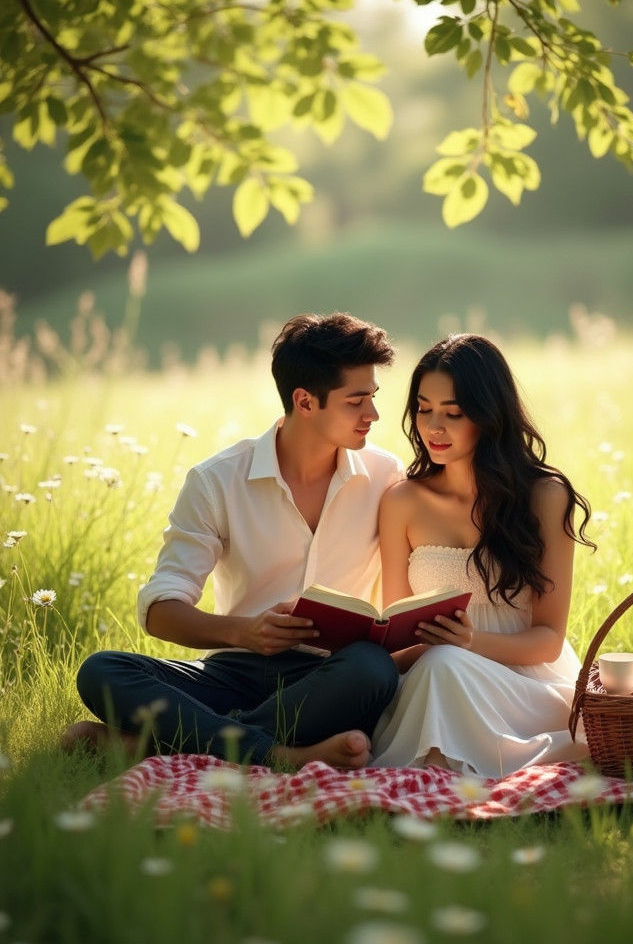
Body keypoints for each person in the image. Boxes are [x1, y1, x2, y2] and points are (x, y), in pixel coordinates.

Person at [62, 313, 403, 770]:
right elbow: (162, 609)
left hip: (329, 679)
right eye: (356, 401)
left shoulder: (386, 477)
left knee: (373, 668)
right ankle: (278, 754)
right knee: (103, 671)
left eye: (373, 398)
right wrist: (245, 631)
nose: (373, 415)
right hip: (233, 670)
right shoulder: (217, 480)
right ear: (305, 402)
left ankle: (173, 743)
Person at [370, 334, 594, 777]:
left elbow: (548, 639)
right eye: (423, 408)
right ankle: (438, 767)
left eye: (453, 413)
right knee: (440, 666)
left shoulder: (545, 497)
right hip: (432, 676)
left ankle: (456, 765)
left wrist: (468, 643)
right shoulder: (402, 502)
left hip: (524, 683)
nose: (433, 427)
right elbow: (399, 631)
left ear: (490, 415)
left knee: (447, 662)